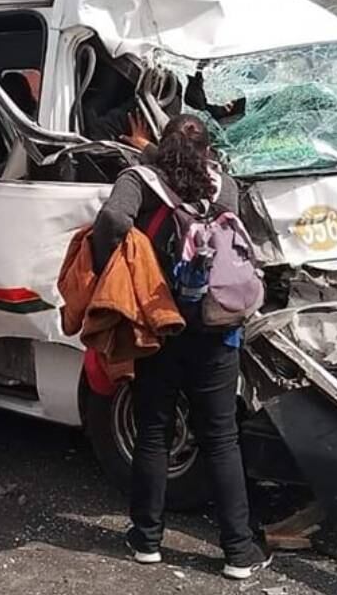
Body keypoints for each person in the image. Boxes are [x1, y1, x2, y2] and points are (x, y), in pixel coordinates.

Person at [90, 114, 271, 580]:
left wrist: (112, 262)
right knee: (221, 438)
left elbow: (112, 218)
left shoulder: (140, 180)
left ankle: (147, 539)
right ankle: (238, 552)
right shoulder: (222, 184)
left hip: (161, 324)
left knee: (153, 429)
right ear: (208, 149)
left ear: (161, 144)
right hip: (217, 327)